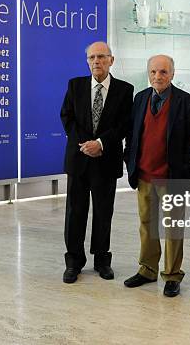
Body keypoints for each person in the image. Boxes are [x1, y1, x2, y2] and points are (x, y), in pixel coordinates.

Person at [123, 54, 190, 297]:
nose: (158, 76)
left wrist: (183, 170)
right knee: (147, 225)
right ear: (148, 73)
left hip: (171, 178)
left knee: (172, 228)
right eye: (154, 72)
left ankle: (171, 274)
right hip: (144, 175)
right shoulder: (140, 99)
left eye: (163, 72)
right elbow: (132, 135)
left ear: (172, 74)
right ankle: (147, 269)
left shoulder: (187, 103)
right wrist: (130, 161)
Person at [60, 41, 134, 284]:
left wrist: (100, 143)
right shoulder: (75, 85)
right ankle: (73, 261)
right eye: (92, 57)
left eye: (101, 57)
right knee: (75, 212)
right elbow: (67, 117)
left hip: (106, 159)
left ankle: (102, 260)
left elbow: (124, 124)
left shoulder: (125, 90)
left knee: (103, 213)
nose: (96, 62)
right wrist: (86, 144)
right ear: (87, 61)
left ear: (111, 60)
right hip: (79, 159)